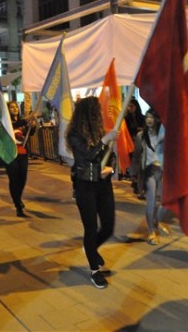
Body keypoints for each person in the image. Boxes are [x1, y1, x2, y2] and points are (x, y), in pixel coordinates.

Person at [66, 96, 118, 289]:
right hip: (85, 186)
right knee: (90, 228)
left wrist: (110, 169)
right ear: (88, 113)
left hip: (103, 184)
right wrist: (105, 140)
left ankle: (91, 248)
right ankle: (94, 270)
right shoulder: (74, 134)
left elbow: (109, 155)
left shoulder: (98, 131)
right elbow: (88, 155)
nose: (100, 114)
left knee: (108, 226)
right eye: (97, 111)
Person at [131, 108, 171, 245]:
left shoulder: (163, 134)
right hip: (149, 171)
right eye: (147, 117)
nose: (149, 120)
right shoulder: (141, 136)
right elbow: (136, 155)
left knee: (163, 202)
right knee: (151, 202)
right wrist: (134, 174)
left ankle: (157, 221)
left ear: (157, 119)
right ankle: (151, 231)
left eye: (151, 117)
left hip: (162, 170)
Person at [4, 101, 36, 218]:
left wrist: (32, 126)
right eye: (12, 107)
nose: (15, 109)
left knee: (22, 178)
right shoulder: (6, 121)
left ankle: (18, 197)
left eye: (16, 106)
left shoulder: (23, 120)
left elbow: (30, 133)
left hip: (23, 153)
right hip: (10, 154)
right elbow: (14, 125)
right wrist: (27, 119)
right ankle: (18, 204)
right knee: (14, 178)